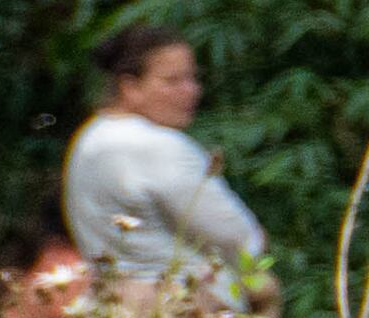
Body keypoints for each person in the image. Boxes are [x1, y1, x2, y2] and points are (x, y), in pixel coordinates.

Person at [60, 23, 267, 285]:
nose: (192, 91)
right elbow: (239, 238)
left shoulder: (87, 139)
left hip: (111, 300)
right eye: (173, 81)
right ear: (130, 87)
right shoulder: (158, 146)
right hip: (179, 300)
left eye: (193, 78)